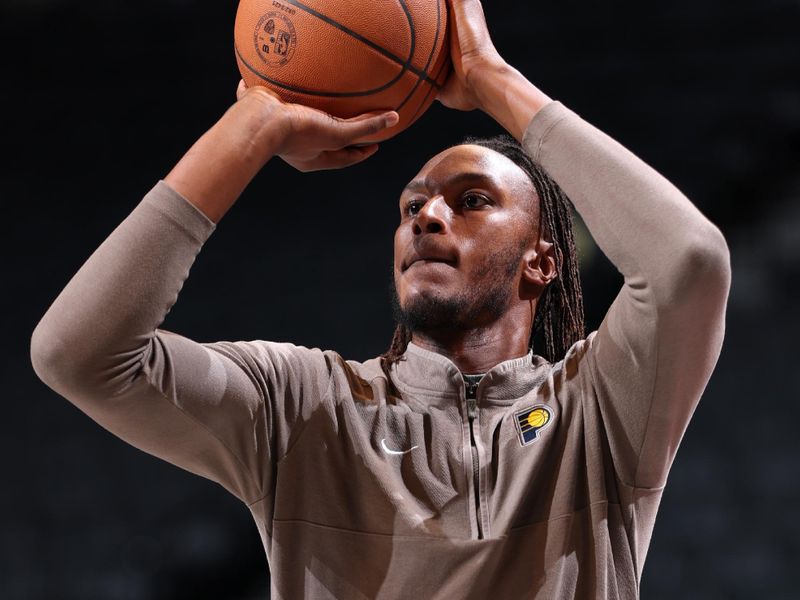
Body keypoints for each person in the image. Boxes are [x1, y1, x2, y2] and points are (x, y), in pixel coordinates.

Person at [30, 0, 731, 598]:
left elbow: (688, 261)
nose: (426, 218)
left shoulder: (599, 411)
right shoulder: (302, 405)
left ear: (541, 262)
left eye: (473, 201)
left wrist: (492, 78)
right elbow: (76, 353)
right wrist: (251, 127)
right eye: (412, 207)